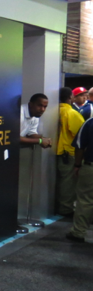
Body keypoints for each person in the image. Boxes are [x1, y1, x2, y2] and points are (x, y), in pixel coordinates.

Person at [56, 87, 85, 216]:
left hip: (57, 151)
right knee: (68, 183)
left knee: (62, 182)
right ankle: (66, 209)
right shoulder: (71, 113)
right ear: (70, 97)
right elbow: (81, 135)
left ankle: (61, 207)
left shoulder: (55, 111)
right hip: (69, 152)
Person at [67, 116, 93, 243]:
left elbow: (79, 146)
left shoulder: (90, 122)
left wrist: (77, 165)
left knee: (85, 201)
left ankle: (78, 232)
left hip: (91, 167)